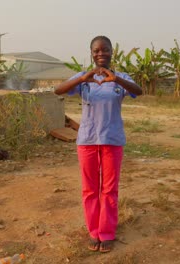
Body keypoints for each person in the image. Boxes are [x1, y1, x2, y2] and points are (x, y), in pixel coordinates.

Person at [55, 36, 142, 253]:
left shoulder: (120, 78)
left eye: (105, 50)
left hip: (112, 140)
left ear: (112, 52)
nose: (101, 53)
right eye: (96, 50)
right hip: (87, 141)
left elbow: (138, 91)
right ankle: (94, 231)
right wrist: (83, 78)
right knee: (90, 189)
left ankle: (107, 232)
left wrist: (117, 80)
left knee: (109, 189)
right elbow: (58, 90)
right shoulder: (84, 78)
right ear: (91, 53)